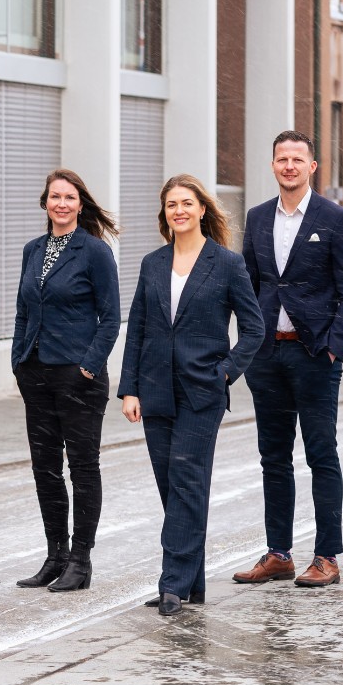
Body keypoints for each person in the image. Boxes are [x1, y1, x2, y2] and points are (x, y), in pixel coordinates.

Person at [118, 174, 264, 616]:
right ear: (164, 214)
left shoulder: (227, 263)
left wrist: (225, 373)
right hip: (155, 389)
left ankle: (172, 584)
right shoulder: (153, 263)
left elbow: (254, 329)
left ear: (202, 209)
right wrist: (129, 389)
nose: (179, 211)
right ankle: (191, 581)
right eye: (171, 205)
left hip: (203, 392)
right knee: (172, 484)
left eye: (186, 203)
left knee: (186, 478)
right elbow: (138, 327)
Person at [233, 130, 343, 589]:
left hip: (314, 355)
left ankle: (326, 556)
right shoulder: (257, 217)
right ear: (273, 165)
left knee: (321, 453)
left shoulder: (335, 218)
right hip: (267, 356)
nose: (288, 166)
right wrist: (248, 344)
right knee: (273, 458)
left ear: (312, 166)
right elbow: (249, 287)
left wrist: (333, 348)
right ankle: (279, 554)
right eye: (281, 159)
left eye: (297, 159)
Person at [11, 169, 121, 593]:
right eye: (55, 197)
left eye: (69, 197)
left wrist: (88, 367)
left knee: (82, 467)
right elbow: (23, 311)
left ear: (80, 204)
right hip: (35, 373)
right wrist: (19, 361)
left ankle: (80, 559)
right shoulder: (32, 250)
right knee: (44, 468)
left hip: (79, 377)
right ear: (45, 202)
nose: (61, 204)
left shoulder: (94, 251)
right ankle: (55, 556)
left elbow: (111, 318)